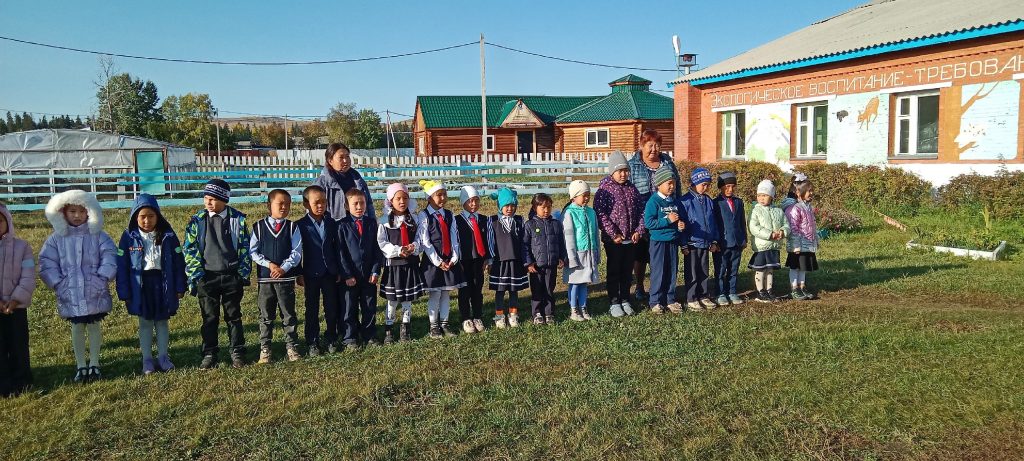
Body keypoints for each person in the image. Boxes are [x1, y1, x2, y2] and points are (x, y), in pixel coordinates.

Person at [38, 190, 117, 382]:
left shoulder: (98, 236)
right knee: (77, 326)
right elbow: (47, 262)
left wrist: (103, 276)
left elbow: (110, 255)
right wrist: (57, 282)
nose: (77, 216)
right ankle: (81, 364)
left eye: (82, 211)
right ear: (62, 212)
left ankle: (95, 363)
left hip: (94, 290)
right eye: (72, 211)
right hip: (70, 291)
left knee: (94, 325)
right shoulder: (56, 239)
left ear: (90, 212)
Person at [183, 179, 252, 369]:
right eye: (206, 198)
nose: (208, 202)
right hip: (207, 277)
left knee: (233, 316)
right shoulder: (197, 221)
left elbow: (245, 247)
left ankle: (237, 351)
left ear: (224, 199)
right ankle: (209, 353)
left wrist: (242, 274)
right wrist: (197, 275)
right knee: (209, 317)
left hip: (231, 276)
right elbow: (190, 249)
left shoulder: (237, 220)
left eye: (213, 199)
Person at [115, 194, 186, 375]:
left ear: (158, 216)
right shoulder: (128, 237)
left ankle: (163, 357)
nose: (147, 221)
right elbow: (122, 266)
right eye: (142, 217)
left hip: (163, 284)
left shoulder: (168, 235)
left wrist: (180, 286)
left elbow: (179, 262)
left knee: (162, 321)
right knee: (145, 322)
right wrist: (124, 292)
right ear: (135, 217)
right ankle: (147, 359)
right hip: (141, 286)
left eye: (151, 216)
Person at [627, 129, 682, 303]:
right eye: (650, 145)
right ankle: (640, 286)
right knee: (641, 254)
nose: (654, 149)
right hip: (642, 216)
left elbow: (677, 186)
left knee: (661, 256)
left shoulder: (667, 163)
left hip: (666, 215)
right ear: (641, 145)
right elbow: (628, 192)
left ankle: (660, 288)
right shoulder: (633, 165)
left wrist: (678, 210)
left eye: (657, 145)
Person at [250, 189, 303, 364]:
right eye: (280, 203)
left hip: (285, 279)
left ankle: (291, 346)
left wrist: (284, 268)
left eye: (287, 204)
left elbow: (296, 252)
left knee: (288, 314)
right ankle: (265, 348)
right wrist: (269, 265)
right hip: (266, 279)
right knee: (266, 315)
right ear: (269, 205)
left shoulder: (292, 227)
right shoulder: (258, 227)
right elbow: (253, 251)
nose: (284, 207)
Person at [594, 151, 643, 317]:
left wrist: (639, 230)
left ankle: (625, 299)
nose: (623, 174)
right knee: (614, 270)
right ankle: (614, 301)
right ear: (612, 172)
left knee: (627, 271)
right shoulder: (604, 190)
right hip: (614, 240)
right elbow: (600, 214)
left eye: (625, 170)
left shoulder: (632, 188)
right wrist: (613, 233)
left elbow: (641, 211)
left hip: (631, 239)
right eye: (619, 171)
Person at [295, 185, 342, 355]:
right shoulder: (300, 225)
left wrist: (338, 269)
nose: (321, 205)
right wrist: (299, 272)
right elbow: (297, 251)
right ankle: (312, 341)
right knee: (312, 309)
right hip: (311, 274)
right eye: (316, 202)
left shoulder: (331, 223)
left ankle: (331, 337)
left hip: (330, 273)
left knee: (331, 308)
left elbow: (337, 248)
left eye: (324, 201)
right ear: (306, 204)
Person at [417, 180, 465, 338]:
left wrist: (454, 257)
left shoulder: (449, 215)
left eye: (445, 194)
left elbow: (454, 237)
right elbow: (425, 242)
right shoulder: (424, 215)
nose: (443, 198)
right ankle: (434, 325)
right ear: (429, 197)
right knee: (435, 294)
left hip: (449, 260)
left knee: (446, 293)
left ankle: (445, 323)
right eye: (439, 195)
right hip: (434, 262)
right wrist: (438, 261)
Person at [377, 183, 424, 343]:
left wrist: (414, 246)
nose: (402, 201)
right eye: (398, 198)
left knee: (407, 298)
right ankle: (389, 329)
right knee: (392, 299)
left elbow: (419, 238)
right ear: (390, 201)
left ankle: (405, 328)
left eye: (405, 198)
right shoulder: (384, 221)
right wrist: (398, 251)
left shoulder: (413, 219)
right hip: (394, 266)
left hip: (410, 265)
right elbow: (382, 242)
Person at [337, 188, 382, 348]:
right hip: (350, 276)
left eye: (362, 203)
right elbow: (340, 252)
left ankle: (369, 334)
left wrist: (375, 270)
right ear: (346, 206)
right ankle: (350, 337)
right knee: (349, 307)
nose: (359, 207)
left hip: (368, 275)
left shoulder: (371, 223)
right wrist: (347, 275)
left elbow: (377, 249)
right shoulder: (341, 225)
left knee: (369, 306)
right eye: (355, 203)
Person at [0, 203, 36, 396]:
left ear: (8, 221)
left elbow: (28, 276)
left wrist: (16, 299)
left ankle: (22, 380)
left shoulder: (22, 247)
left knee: (18, 344)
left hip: (17, 307)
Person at [643, 169, 687, 315]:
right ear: (659, 184)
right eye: (669, 183)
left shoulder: (673, 201)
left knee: (672, 271)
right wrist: (667, 220)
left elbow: (677, 220)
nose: (672, 186)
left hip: (672, 241)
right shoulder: (653, 201)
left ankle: (670, 299)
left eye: (673, 183)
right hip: (658, 242)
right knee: (659, 271)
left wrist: (679, 226)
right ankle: (655, 301)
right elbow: (649, 223)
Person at [681, 167, 721, 311]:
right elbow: (681, 225)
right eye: (703, 184)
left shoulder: (708, 200)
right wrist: (684, 244)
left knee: (704, 271)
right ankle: (691, 298)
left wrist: (714, 240)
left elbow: (713, 222)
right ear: (694, 183)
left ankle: (703, 295)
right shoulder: (685, 201)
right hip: (692, 243)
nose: (706, 188)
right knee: (692, 272)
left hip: (705, 243)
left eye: (708, 185)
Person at [523, 193, 567, 325]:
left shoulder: (556, 224)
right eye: (543, 207)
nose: (546, 210)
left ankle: (549, 313)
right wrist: (529, 263)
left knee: (549, 289)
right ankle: (537, 313)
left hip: (551, 264)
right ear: (534, 207)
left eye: (549, 207)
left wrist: (561, 257)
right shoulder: (529, 225)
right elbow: (525, 245)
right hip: (536, 266)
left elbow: (561, 243)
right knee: (536, 290)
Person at [487, 188, 528, 328]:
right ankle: (499, 316)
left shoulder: (519, 220)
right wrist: (490, 260)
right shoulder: (492, 221)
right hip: (500, 262)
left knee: (513, 290)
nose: (510, 209)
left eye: (513, 205)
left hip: (515, 262)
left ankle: (513, 314)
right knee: (500, 291)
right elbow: (490, 242)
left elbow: (524, 241)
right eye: (506, 206)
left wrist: (525, 260)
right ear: (500, 206)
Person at [562, 181, 599, 321]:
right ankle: (573, 309)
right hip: (577, 254)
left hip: (589, 253)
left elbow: (595, 234)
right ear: (574, 196)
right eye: (584, 195)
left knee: (584, 281)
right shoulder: (569, 213)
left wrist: (596, 252)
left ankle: (583, 307)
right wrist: (571, 256)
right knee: (575, 282)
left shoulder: (591, 212)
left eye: (588, 195)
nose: (587, 198)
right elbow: (568, 237)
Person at [454, 186, 489, 333]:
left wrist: (487, 259)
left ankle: (477, 316)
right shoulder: (457, 220)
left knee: (477, 289)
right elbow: (455, 241)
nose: (474, 204)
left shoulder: (483, 219)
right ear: (463, 202)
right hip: (464, 260)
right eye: (470, 201)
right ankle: (466, 318)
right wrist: (457, 260)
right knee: (464, 290)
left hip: (478, 260)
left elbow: (488, 240)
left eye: (476, 200)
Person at [747, 180, 789, 302]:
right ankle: (760, 291)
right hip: (761, 246)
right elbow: (753, 227)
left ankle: (769, 289)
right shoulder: (755, 210)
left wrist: (783, 232)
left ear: (771, 197)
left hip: (773, 246)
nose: (761, 198)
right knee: (760, 269)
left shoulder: (778, 211)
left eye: (764, 195)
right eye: (759, 195)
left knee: (770, 269)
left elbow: (786, 224)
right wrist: (769, 234)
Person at [314, 142, 375, 221]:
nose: (345, 160)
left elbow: (369, 204)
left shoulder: (357, 179)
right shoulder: (322, 183)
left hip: (359, 224)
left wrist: (372, 222)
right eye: (341, 157)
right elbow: (314, 210)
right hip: (334, 226)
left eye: (347, 156)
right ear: (330, 161)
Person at [712, 172, 747, 306]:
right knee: (721, 269)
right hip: (722, 243)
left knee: (734, 269)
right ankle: (720, 293)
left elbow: (742, 221)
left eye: (732, 186)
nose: (730, 189)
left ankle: (732, 291)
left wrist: (744, 239)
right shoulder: (716, 203)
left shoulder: (738, 202)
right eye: (727, 186)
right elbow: (714, 224)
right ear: (720, 187)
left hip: (737, 242)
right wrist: (715, 241)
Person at [785, 179, 820, 301]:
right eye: (809, 191)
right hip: (798, 245)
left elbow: (812, 226)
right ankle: (794, 288)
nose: (811, 193)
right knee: (795, 266)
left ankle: (802, 286)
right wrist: (796, 245)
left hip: (807, 243)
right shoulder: (795, 208)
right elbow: (793, 228)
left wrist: (815, 240)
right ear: (800, 193)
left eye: (812, 191)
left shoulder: (808, 208)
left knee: (803, 267)